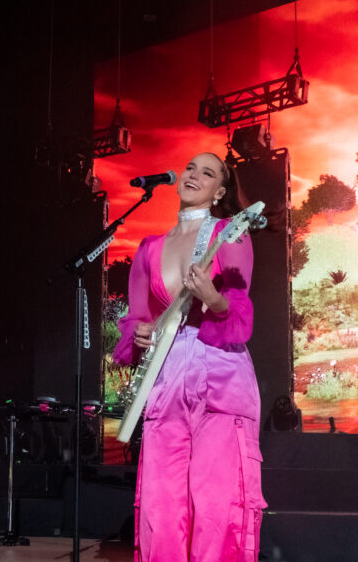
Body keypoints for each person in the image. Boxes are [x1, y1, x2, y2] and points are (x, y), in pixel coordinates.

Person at [112, 152, 266, 561]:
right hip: (166, 381)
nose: (195, 174)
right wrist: (139, 335)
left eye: (208, 172)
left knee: (217, 504)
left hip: (220, 376)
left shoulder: (230, 233)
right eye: (191, 168)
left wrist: (211, 298)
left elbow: (238, 312)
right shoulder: (149, 248)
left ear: (220, 191)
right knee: (163, 506)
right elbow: (136, 320)